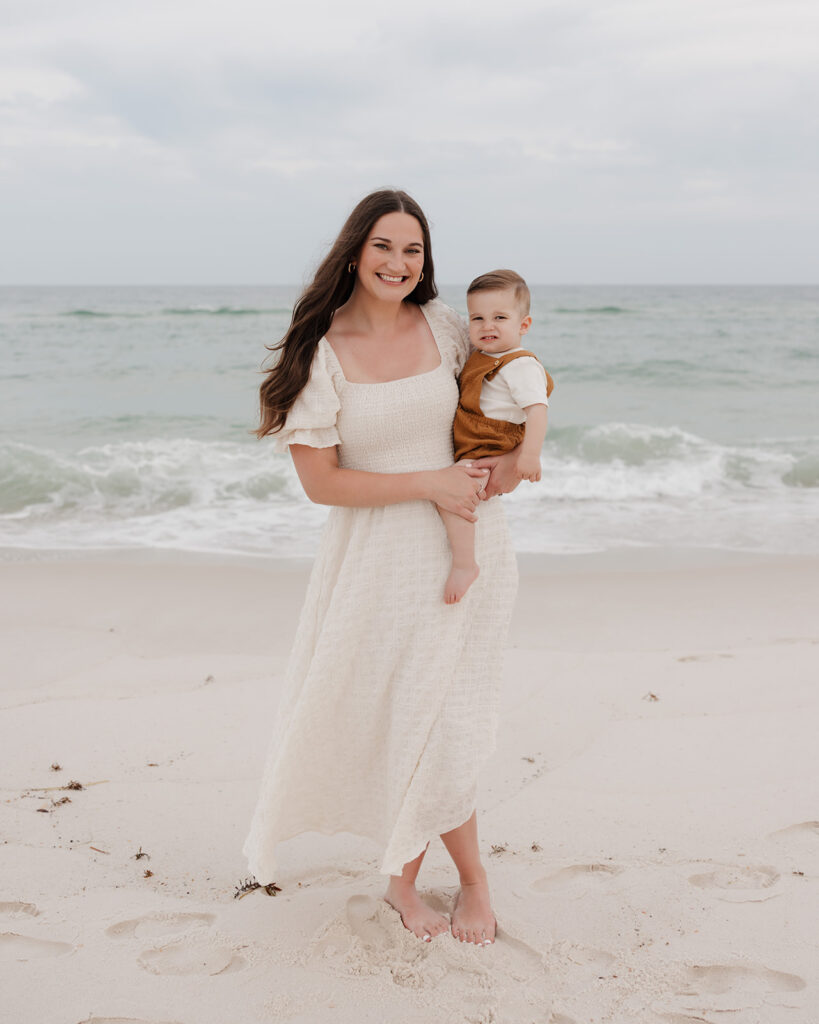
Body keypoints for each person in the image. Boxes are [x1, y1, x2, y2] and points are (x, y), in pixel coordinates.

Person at [242, 189, 523, 947]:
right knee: (410, 719)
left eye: (413, 250)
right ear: (354, 251)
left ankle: (464, 879)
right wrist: (425, 482)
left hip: (471, 548)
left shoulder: (447, 327)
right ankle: (406, 881)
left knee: (450, 721)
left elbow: (502, 401)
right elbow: (320, 483)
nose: (399, 263)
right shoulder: (320, 351)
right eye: (384, 247)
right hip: (379, 565)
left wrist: (511, 460)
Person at [439, 269, 554, 604]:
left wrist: (528, 456)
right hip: (475, 436)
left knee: (454, 499)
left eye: (499, 317)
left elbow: (537, 411)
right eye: (477, 318)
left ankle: (464, 563)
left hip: (493, 442)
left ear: (524, 325)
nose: (487, 326)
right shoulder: (483, 356)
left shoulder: (520, 365)